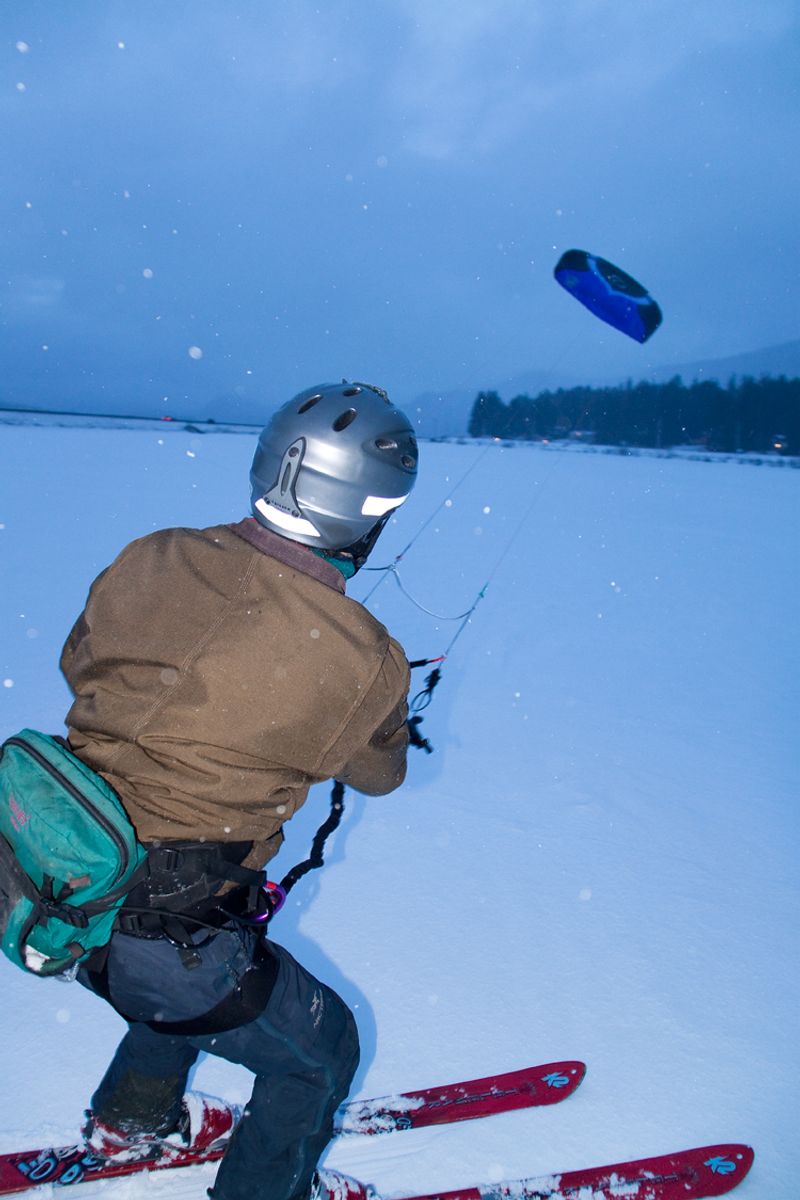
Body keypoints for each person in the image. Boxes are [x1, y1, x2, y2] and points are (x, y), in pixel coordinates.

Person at [59, 381, 419, 1200]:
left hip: (64, 890)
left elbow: (83, 664)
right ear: (366, 512)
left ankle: (133, 1121)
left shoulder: (151, 553)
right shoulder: (363, 656)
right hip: (172, 938)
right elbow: (380, 772)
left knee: (182, 975)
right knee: (321, 1056)